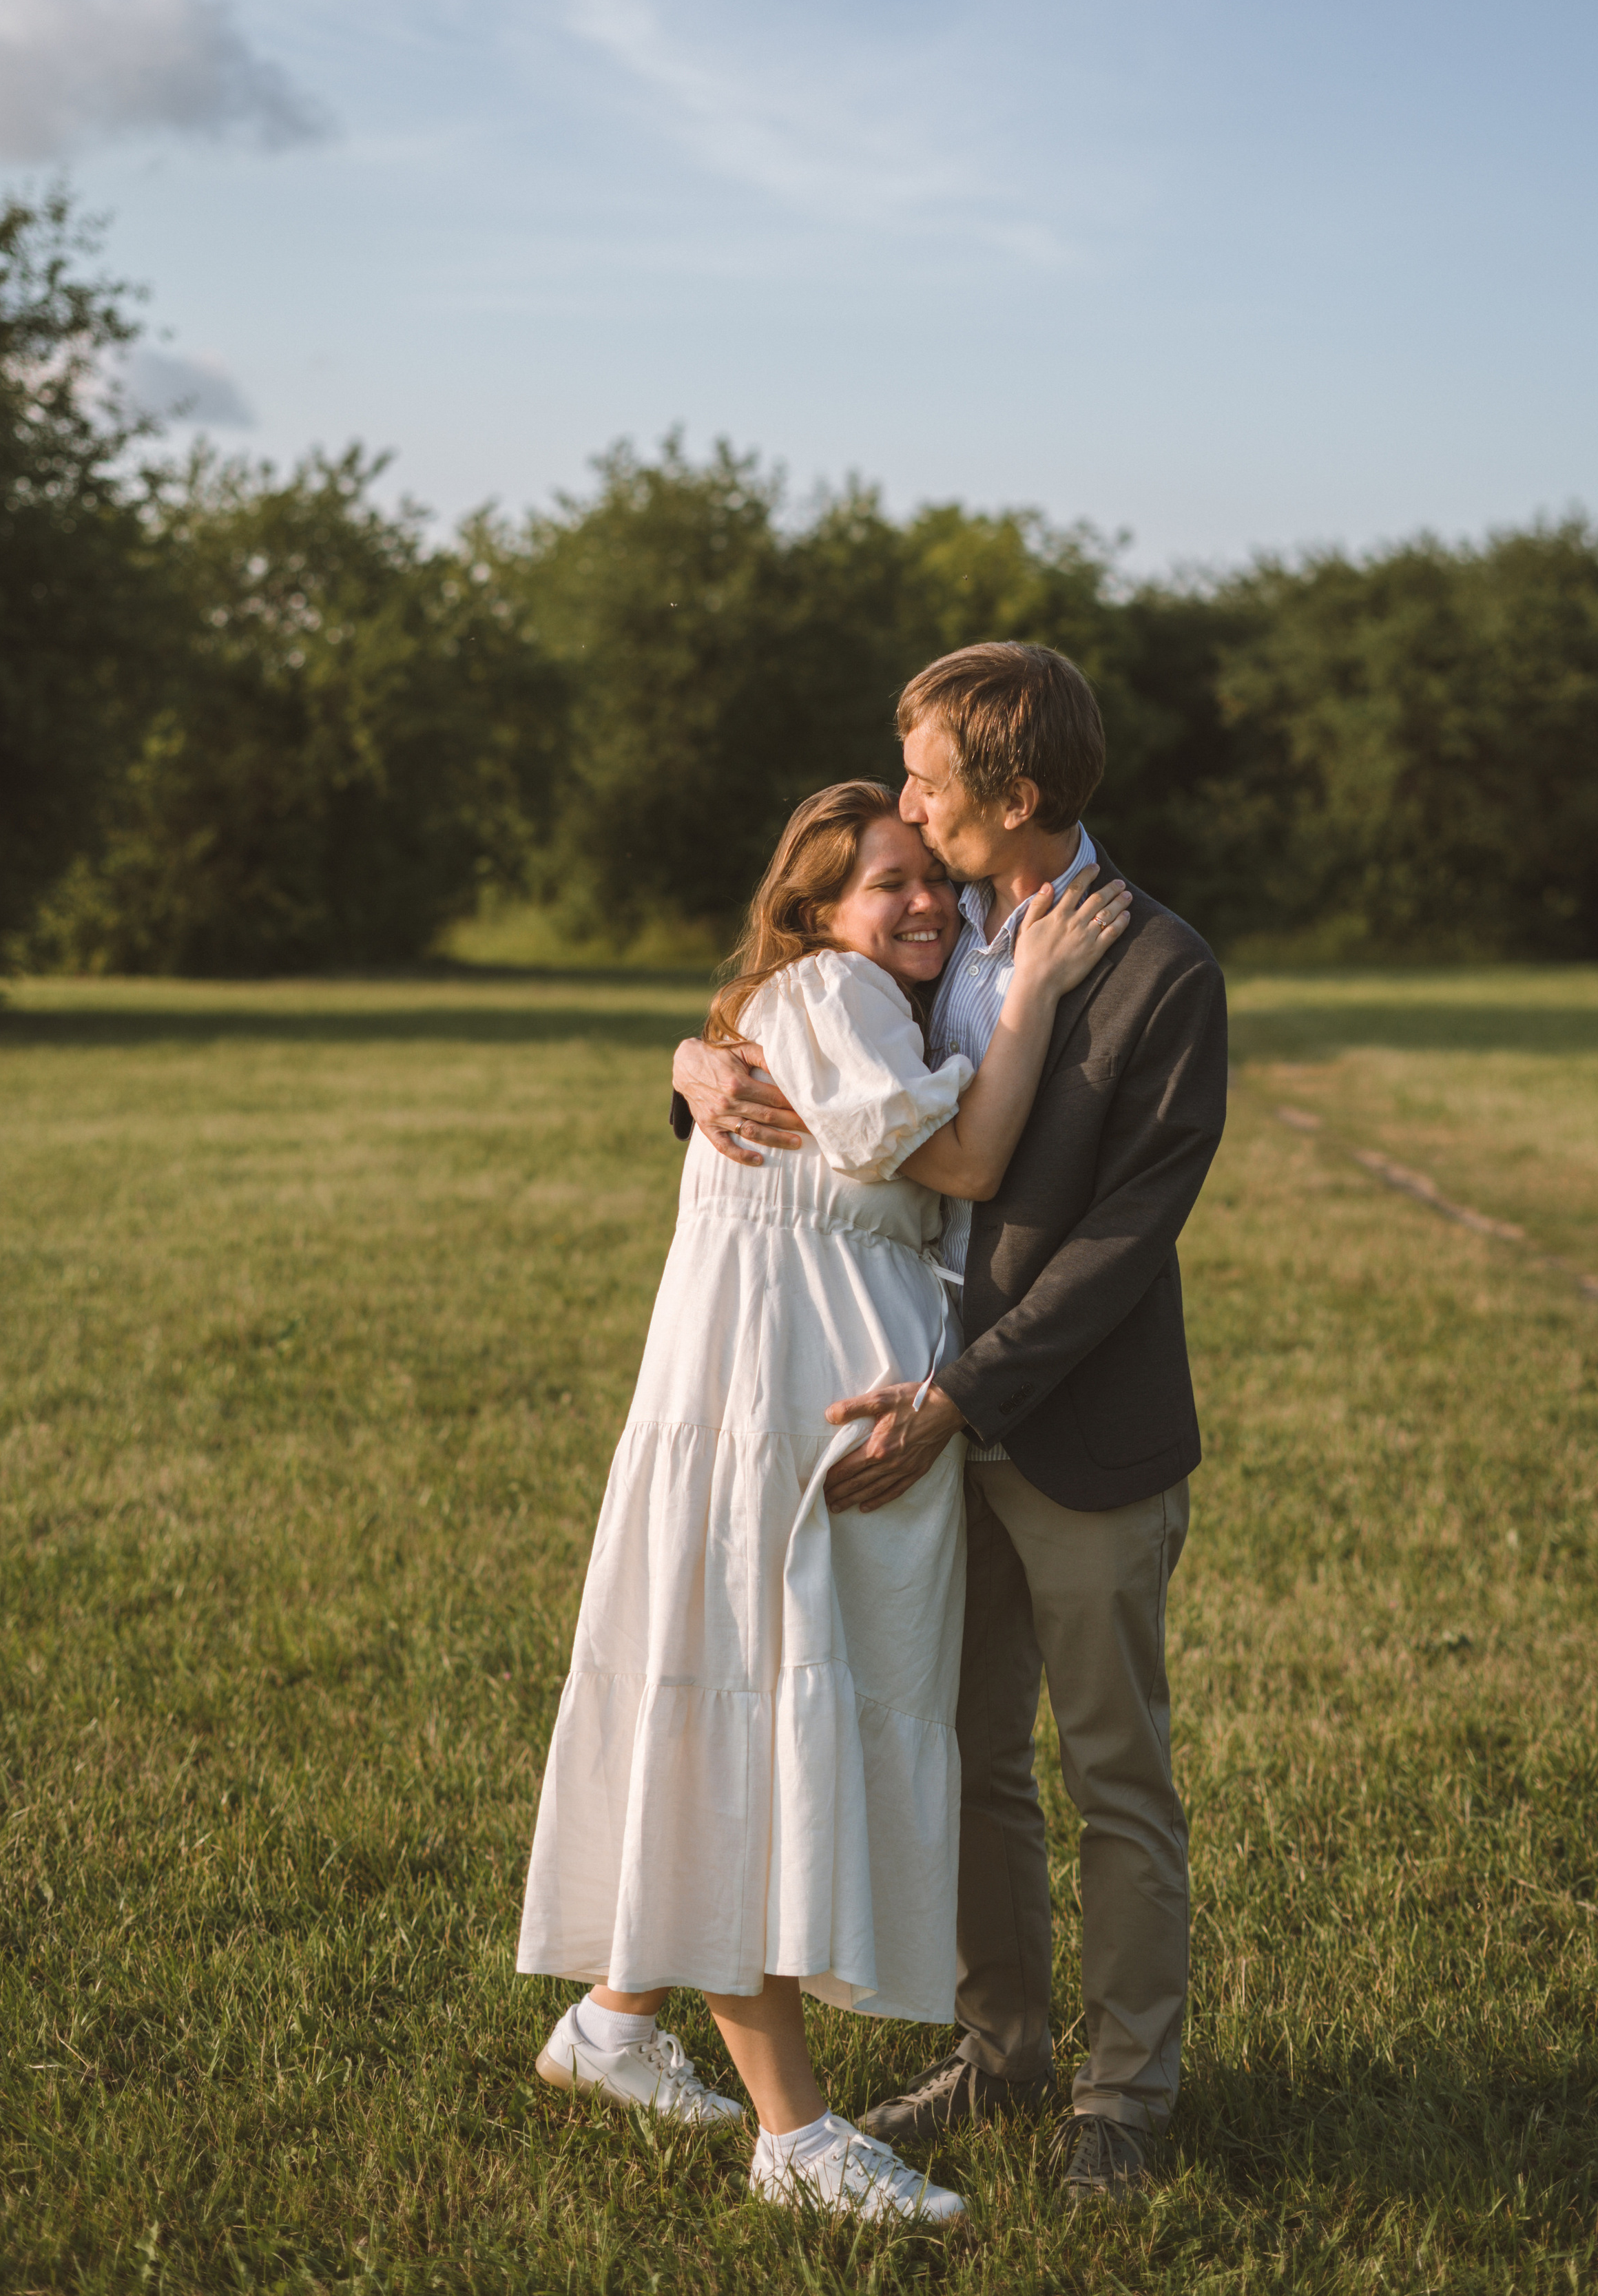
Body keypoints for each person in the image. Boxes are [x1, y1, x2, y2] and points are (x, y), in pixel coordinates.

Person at [518, 777, 1130, 2222]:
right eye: (884, 884)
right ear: (814, 910)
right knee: (749, 1740)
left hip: (791, 1421)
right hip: (770, 1427)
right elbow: (968, 1159)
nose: (923, 904)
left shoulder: (829, 1008)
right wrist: (1037, 988)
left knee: (743, 1712)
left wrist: (696, 1051)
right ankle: (794, 2141)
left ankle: (613, 2022)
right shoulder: (833, 993)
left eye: (932, 879)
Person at [673, 641, 1228, 2209]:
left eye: (927, 781)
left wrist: (962, 1399)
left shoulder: (1160, 969)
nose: (907, 805)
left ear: (1016, 792)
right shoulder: (924, 930)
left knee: (1112, 1774)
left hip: (1069, 1430)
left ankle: (1123, 2100)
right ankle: (1001, 2053)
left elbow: (1125, 1239)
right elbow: (814, 1052)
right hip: (905, 1424)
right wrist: (694, 1064)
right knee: (968, 1762)